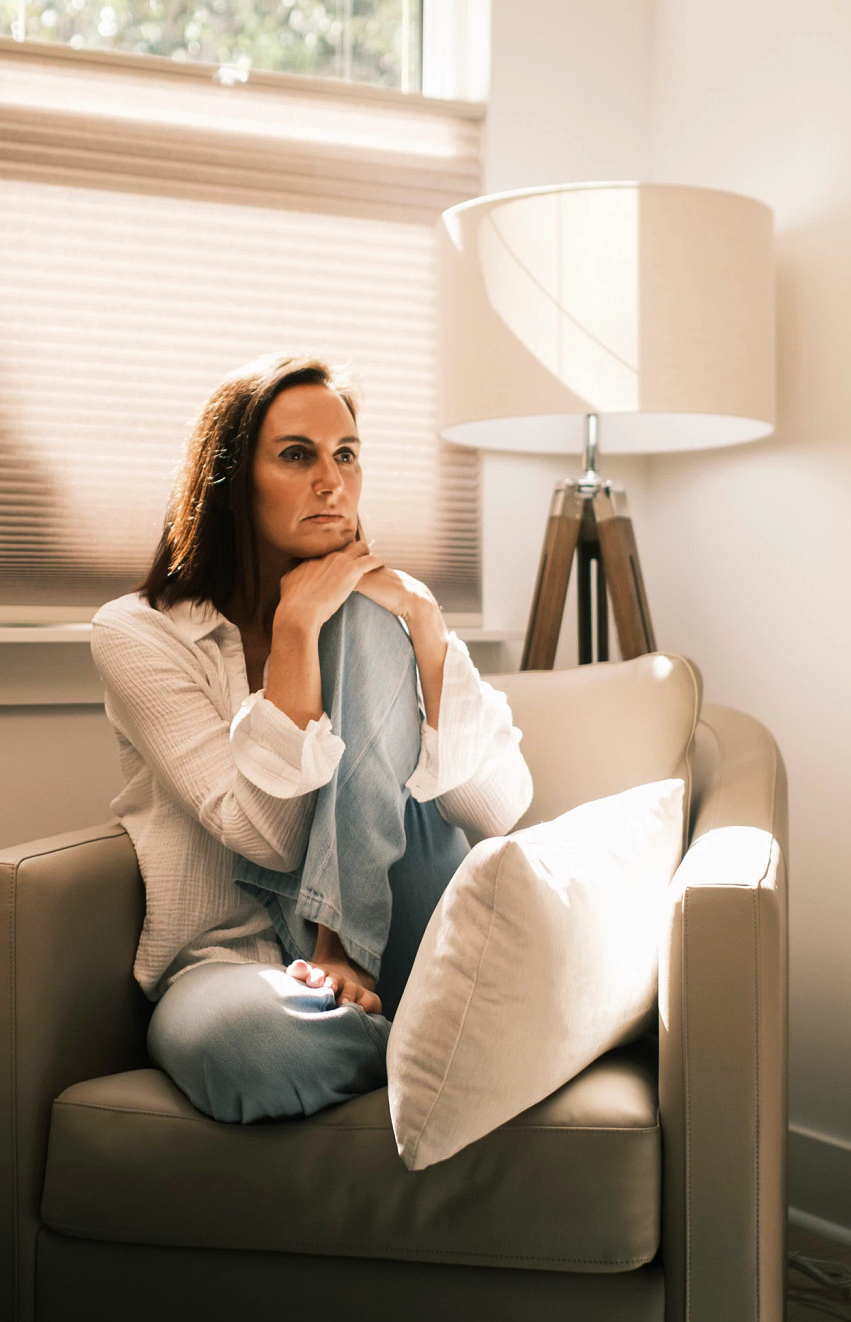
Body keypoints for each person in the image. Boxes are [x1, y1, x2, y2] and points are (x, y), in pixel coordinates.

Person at [91, 353, 533, 1123]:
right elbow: (261, 835)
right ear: (231, 481)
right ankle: (453, 1045)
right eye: (297, 455)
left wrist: (426, 627)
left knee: (364, 617)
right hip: (230, 961)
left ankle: (348, 946)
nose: (333, 481)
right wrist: (296, 633)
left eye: (347, 454)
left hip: (400, 933)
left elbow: (498, 808)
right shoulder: (138, 632)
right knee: (249, 1050)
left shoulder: (386, 611)